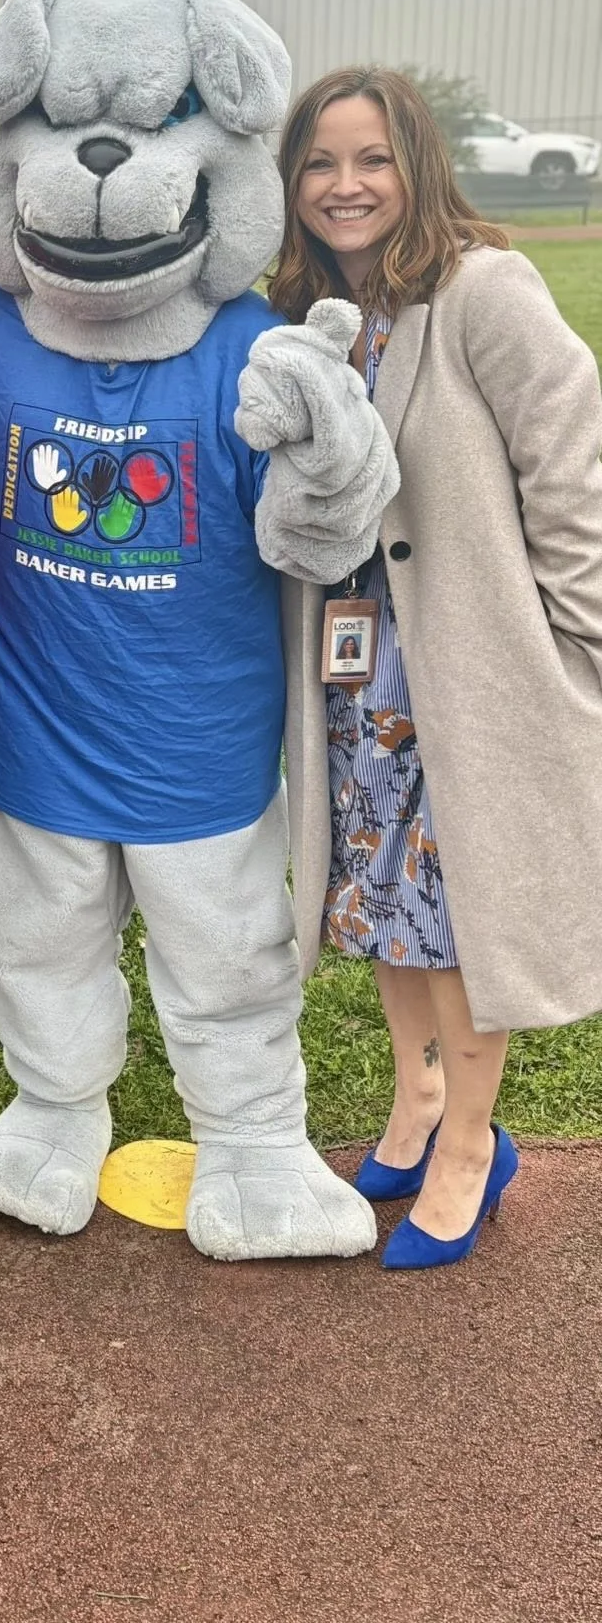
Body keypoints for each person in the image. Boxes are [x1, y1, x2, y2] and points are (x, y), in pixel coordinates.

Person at [270, 66, 602, 1269]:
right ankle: (415, 1100)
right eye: (319, 163)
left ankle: (473, 1139)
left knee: (453, 914)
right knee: (378, 896)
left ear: (419, 163)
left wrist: (577, 641)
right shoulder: (315, 313)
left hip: (464, 667)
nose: (345, 185)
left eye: (371, 158)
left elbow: (572, 463)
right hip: (351, 663)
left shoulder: (483, 290)